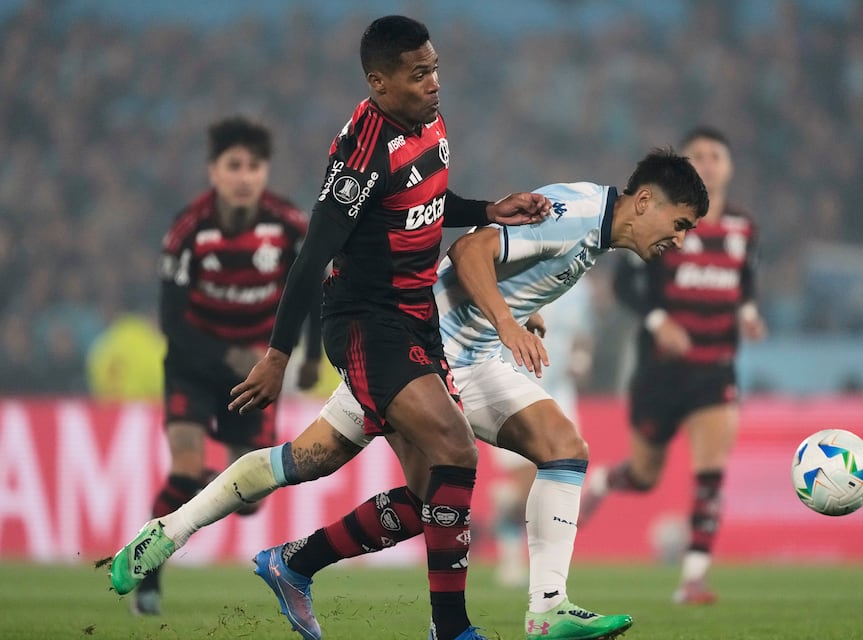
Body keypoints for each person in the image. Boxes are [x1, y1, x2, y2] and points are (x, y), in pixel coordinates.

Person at [108, 147, 707, 640]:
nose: (678, 240)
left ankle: (545, 607)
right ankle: (179, 533)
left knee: (557, 451)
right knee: (350, 469)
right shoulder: (575, 213)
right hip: (422, 348)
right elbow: (471, 249)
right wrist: (505, 320)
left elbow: (509, 259)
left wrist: (524, 311)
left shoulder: (595, 224)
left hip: (469, 356)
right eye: (679, 224)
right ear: (647, 201)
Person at [110, 15, 549, 640]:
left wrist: (486, 209)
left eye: (435, 69)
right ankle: (451, 630)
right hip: (369, 325)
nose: (434, 83)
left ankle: (255, 553)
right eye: (419, 74)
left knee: (404, 490)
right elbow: (312, 256)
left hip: (416, 321)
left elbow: (424, 200)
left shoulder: (427, 122)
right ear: (379, 83)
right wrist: (278, 353)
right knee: (456, 452)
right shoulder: (361, 153)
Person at [129, 115, 323, 615]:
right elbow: (171, 320)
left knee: (252, 497)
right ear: (213, 171)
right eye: (233, 165)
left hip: (253, 374)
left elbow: (315, 291)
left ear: (265, 173)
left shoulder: (288, 226)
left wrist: (313, 355)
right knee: (185, 467)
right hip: (194, 364)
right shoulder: (188, 229)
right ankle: (147, 573)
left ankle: (208, 488)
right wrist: (227, 355)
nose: (244, 176)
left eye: (253, 166)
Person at [578, 126, 767, 605]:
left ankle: (693, 580)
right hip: (660, 374)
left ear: (729, 166)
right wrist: (659, 319)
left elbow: (744, 283)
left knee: (711, 474)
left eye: (715, 155)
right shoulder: (664, 223)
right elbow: (624, 285)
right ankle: (605, 480)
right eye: (697, 154)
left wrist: (747, 313)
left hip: (715, 369)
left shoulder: (744, 228)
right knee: (644, 477)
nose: (707, 161)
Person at [490, 279, 595, 589]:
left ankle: (549, 571)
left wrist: (581, 360)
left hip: (559, 387)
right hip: (513, 386)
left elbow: (583, 335)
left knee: (564, 474)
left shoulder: (579, 282)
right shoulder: (508, 276)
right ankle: (513, 553)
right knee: (526, 485)